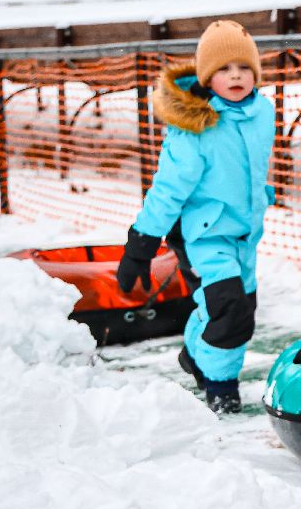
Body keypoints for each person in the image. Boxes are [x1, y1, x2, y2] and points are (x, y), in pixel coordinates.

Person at [115, 20, 276, 414]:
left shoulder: (262, 113)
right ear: (206, 77)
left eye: (243, 67)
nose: (235, 75)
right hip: (203, 236)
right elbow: (168, 189)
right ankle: (220, 386)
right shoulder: (195, 128)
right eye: (223, 68)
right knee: (229, 311)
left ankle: (194, 352)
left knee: (241, 313)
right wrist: (141, 243)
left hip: (245, 234)